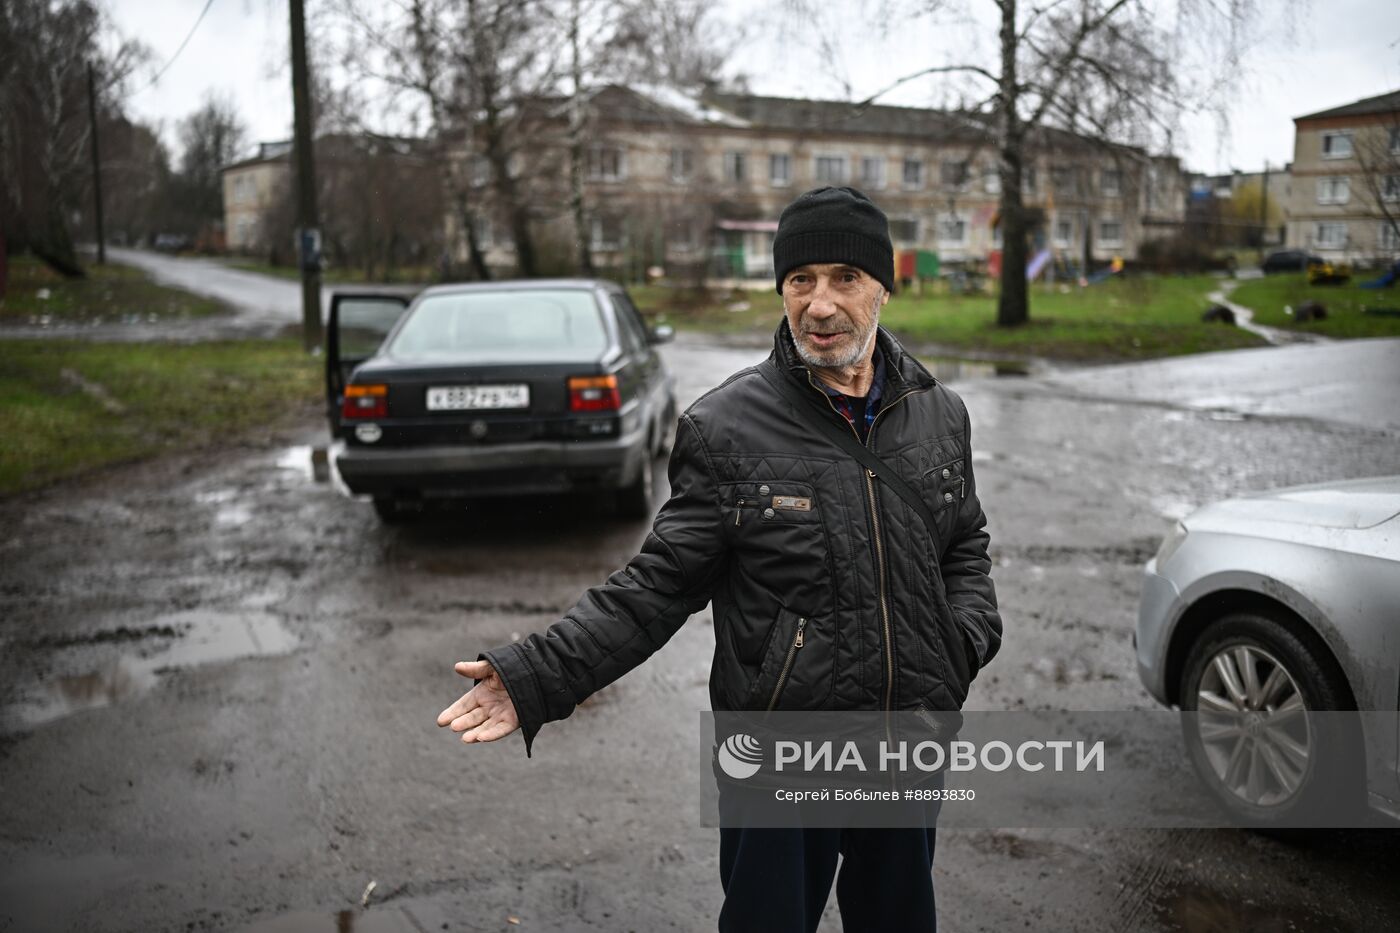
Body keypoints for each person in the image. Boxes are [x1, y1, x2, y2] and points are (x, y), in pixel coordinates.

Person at [437, 186, 1002, 933]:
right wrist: (540, 674)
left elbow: (964, 544)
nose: (821, 305)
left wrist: (959, 642)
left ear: (884, 287)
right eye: (801, 280)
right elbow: (655, 586)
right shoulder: (725, 427)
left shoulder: (940, 413)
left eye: (844, 278)